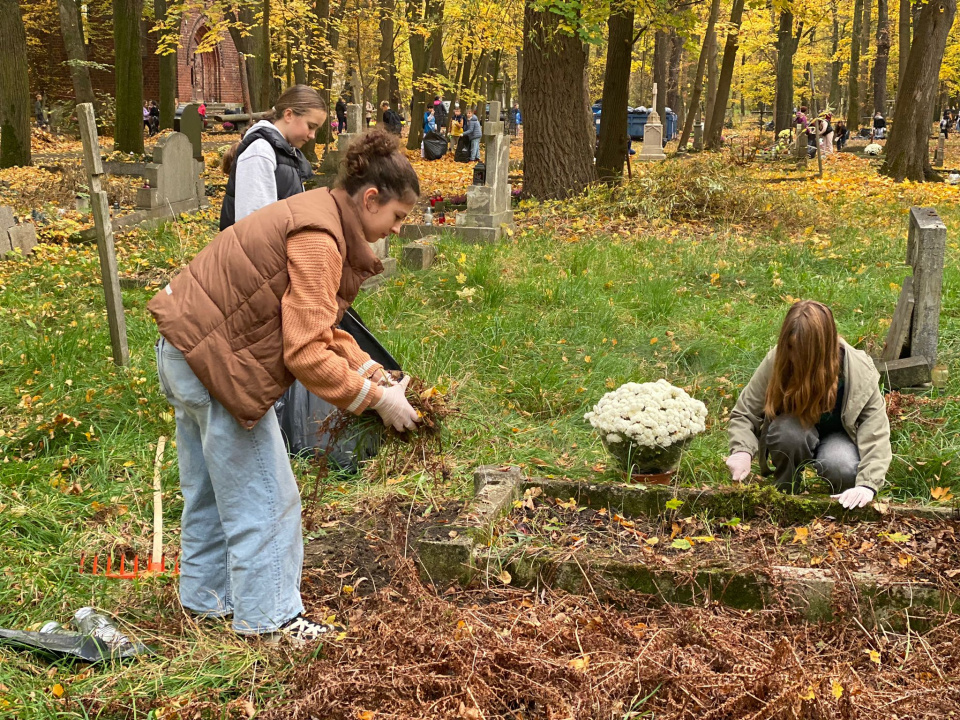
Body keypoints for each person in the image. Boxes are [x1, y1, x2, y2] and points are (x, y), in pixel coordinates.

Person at [148, 130, 421, 643]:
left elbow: (321, 327)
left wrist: (373, 372)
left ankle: (206, 603)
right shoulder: (320, 237)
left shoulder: (315, 211)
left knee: (207, 490)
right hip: (216, 365)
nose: (396, 231)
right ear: (370, 199)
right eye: (397, 218)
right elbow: (306, 352)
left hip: (184, 349)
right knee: (268, 499)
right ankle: (270, 622)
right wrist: (377, 400)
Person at [726, 301, 890, 511]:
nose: (795, 357)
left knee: (841, 466)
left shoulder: (859, 371)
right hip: (795, 428)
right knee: (787, 434)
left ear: (823, 348)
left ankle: (838, 505)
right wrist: (741, 450)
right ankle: (785, 492)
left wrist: (868, 484)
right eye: (791, 347)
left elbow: (876, 431)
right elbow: (745, 412)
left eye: (802, 350)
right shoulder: (777, 360)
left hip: (838, 437)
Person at [219, 85, 325, 231]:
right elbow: (254, 225)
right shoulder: (261, 152)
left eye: (316, 129)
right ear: (289, 115)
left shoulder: (288, 153)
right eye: (310, 126)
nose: (312, 135)